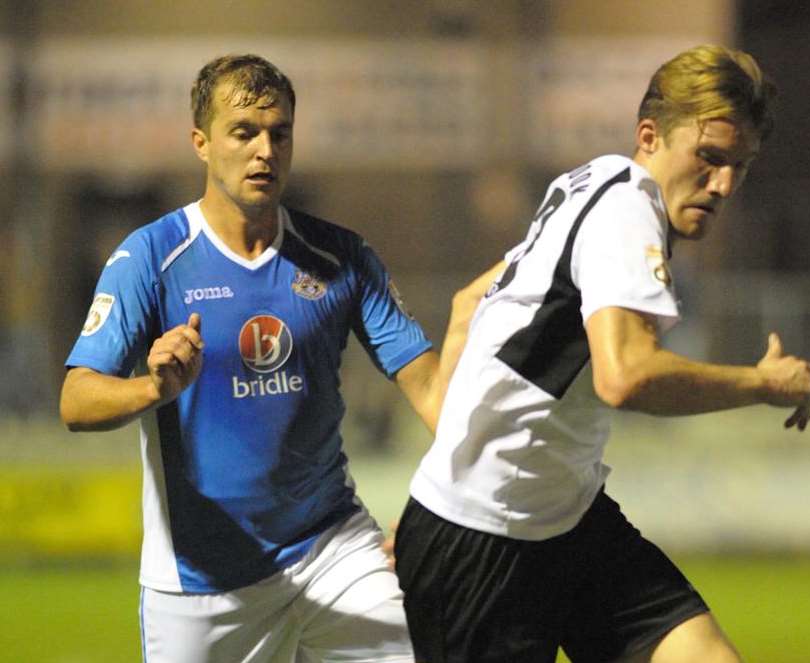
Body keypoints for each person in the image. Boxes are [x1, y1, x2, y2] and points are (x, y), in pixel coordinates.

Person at [394, 44, 810, 663]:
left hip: (567, 521)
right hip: (485, 550)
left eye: (741, 165)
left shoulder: (593, 182)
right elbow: (625, 376)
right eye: (708, 158)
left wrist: (451, 473)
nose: (724, 184)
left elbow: (468, 305)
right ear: (649, 135)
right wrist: (762, 383)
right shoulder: (629, 211)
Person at [59, 54, 494, 663]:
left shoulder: (342, 256)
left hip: (331, 547)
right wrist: (151, 391)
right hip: (201, 579)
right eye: (244, 133)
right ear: (202, 143)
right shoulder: (150, 257)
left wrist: (459, 508)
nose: (265, 150)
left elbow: (429, 391)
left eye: (279, 133)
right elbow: (76, 402)